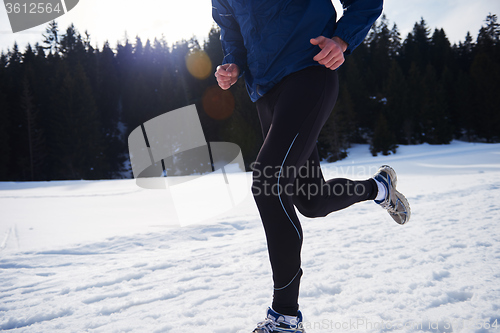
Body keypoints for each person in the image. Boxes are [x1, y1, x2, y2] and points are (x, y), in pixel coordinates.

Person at [212, 0, 410, 332]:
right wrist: (231, 62)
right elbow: (231, 29)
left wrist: (343, 38)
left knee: (268, 181)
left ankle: (285, 317)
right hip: (265, 93)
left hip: (308, 72)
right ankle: (379, 188)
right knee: (312, 200)